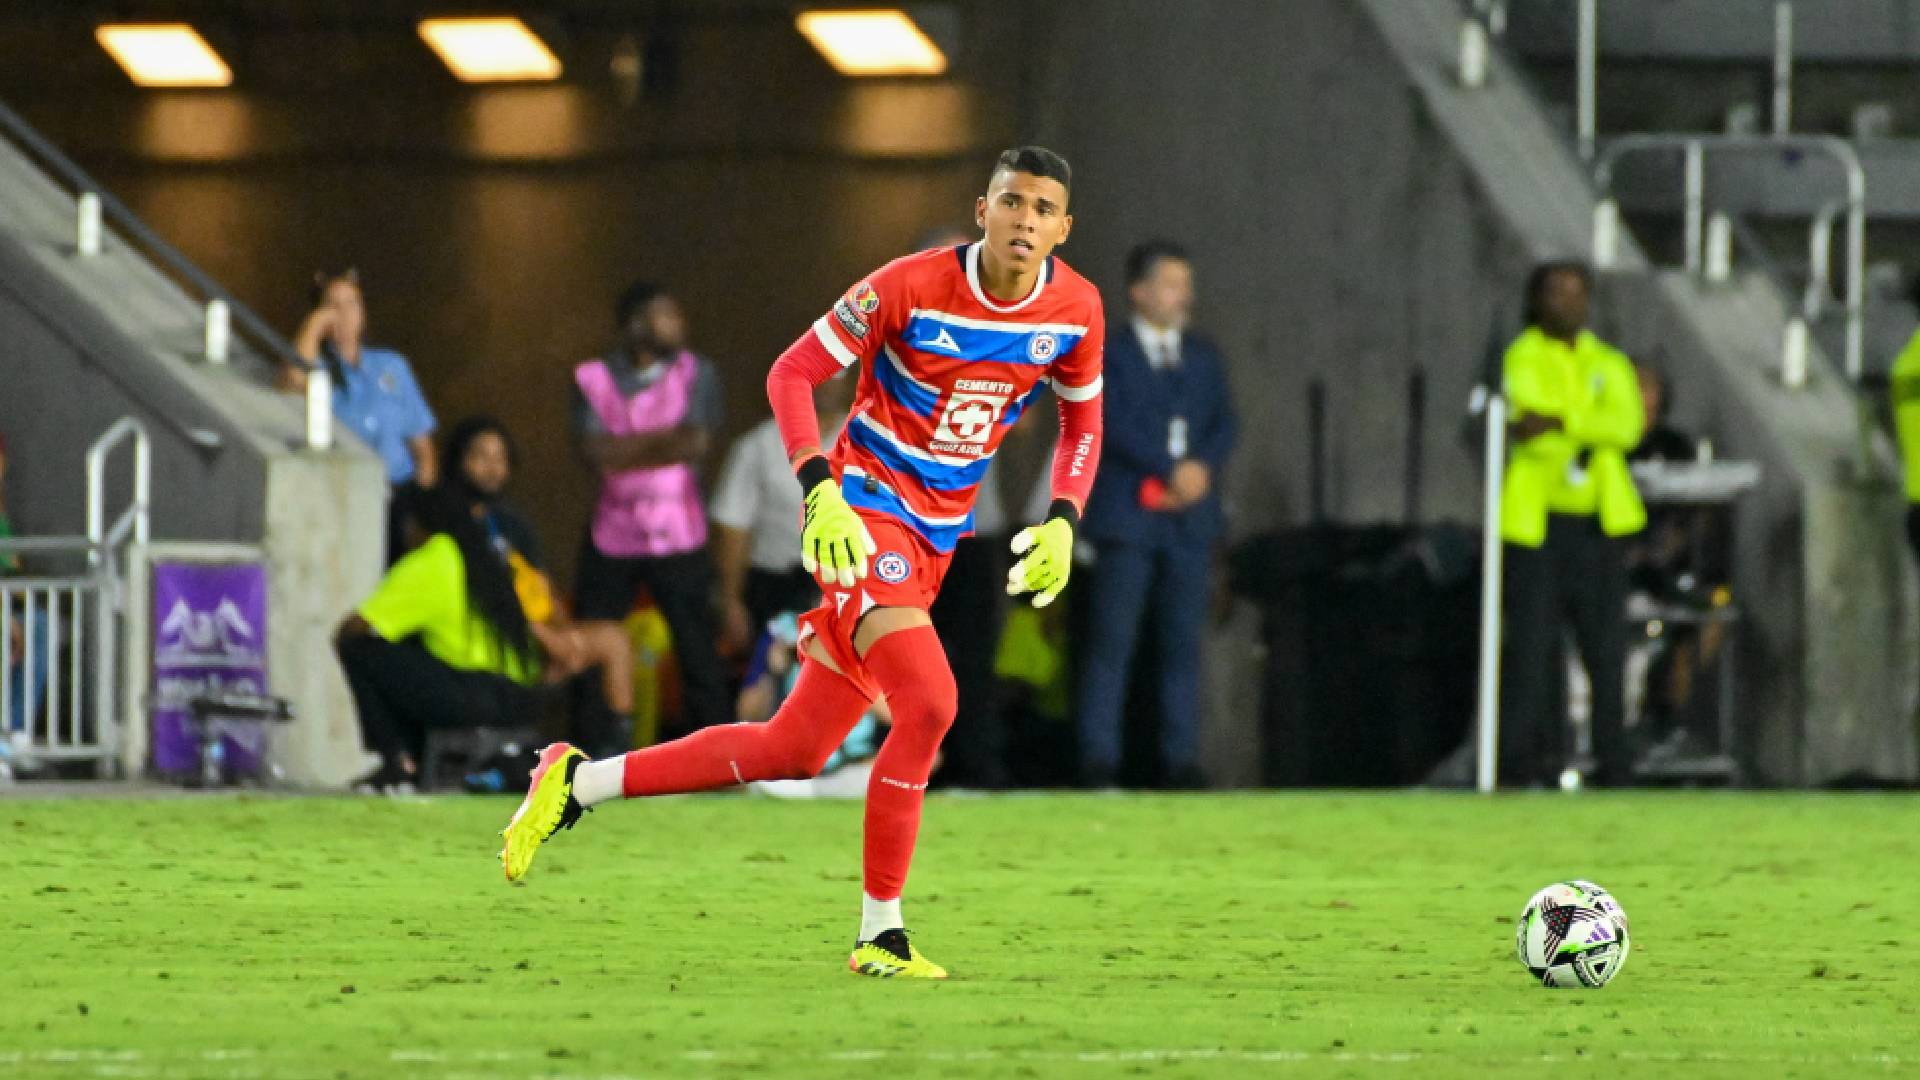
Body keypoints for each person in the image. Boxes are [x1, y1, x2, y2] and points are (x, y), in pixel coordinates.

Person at [499, 146, 1106, 980]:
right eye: (1012, 202)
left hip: (935, 541)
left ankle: (578, 784)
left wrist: (1065, 520)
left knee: (796, 747)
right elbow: (793, 372)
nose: (1025, 221)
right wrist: (818, 488)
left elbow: (1081, 424)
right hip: (864, 517)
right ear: (982, 209)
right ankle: (880, 932)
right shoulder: (905, 285)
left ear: (1063, 228)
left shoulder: (1076, 309)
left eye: (1043, 209)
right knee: (930, 700)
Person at [1076, 240, 1236, 789]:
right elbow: (1107, 421)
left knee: (1183, 643)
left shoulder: (1204, 356)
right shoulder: (1108, 356)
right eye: (1171, 284)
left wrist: (1199, 470)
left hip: (1188, 522)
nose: (1183, 296)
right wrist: (1166, 466)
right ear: (1139, 292)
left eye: (1185, 285)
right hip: (1128, 519)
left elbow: (1224, 422)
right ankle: (1098, 759)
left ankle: (1181, 759)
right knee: (1113, 642)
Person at [1499, 262, 1646, 789]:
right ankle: (1520, 764)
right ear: (1536, 301)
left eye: (1577, 292)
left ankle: (1615, 764)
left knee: (1606, 651)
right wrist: (1584, 423)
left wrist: (1564, 422)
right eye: (1557, 292)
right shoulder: (1521, 356)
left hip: (1596, 525)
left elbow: (1627, 427)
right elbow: (1526, 424)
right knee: (1533, 651)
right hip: (1538, 525)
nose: (1569, 302)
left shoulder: (1607, 361)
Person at [569, 282, 730, 737]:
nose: (678, 325)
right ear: (636, 325)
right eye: (665, 316)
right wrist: (665, 441)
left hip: (679, 532)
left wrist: (626, 446)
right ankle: (588, 752)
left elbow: (695, 441)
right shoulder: (593, 377)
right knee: (594, 641)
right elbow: (595, 452)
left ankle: (715, 754)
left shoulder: (698, 372)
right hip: (614, 532)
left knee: (698, 649)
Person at [334, 487, 554, 793]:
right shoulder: (480, 554)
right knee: (410, 651)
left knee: (360, 650)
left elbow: (357, 626)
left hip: (477, 696)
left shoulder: (437, 556)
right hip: (521, 697)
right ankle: (416, 759)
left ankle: (398, 761)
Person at [443, 416, 634, 757]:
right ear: (459, 461)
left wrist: (564, 634)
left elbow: (541, 588)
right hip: (485, 637)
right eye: (480, 456)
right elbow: (486, 599)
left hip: (534, 635)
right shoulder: (447, 519)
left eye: (500, 458)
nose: (491, 468)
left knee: (614, 640)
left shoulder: (512, 523)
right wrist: (550, 641)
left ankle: (615, 754)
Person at [280, 269, 438, 563]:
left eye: (352, 303)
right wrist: (315, 326)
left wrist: (421, 504)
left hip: (399, 495)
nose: (344, 314)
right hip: (344, 494)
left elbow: (424, 449)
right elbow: (291, 385)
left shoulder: (391, 366)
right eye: (333, 305)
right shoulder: (317, 372)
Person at [708, 374, 854, 654]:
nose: (827, 384)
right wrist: (729, 601)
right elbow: (732, 526)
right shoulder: (758, 446)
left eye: (836, 375)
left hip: (846, 588)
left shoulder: (868, 443)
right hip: (774, 589)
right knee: (770, 682)